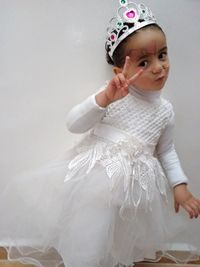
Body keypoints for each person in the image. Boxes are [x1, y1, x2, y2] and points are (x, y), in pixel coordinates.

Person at [0, 1, 200, 267]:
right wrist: (105, 98)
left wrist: (180, 186)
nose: (158, 67)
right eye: (144, 61)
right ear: (120, 71)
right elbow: (74, 123)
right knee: (89, 234)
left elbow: (166, 150)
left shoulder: (165, 111)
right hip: (97, 182)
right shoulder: (113, 95)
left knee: (120, 240)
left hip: (135, 192)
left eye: (162, 55)